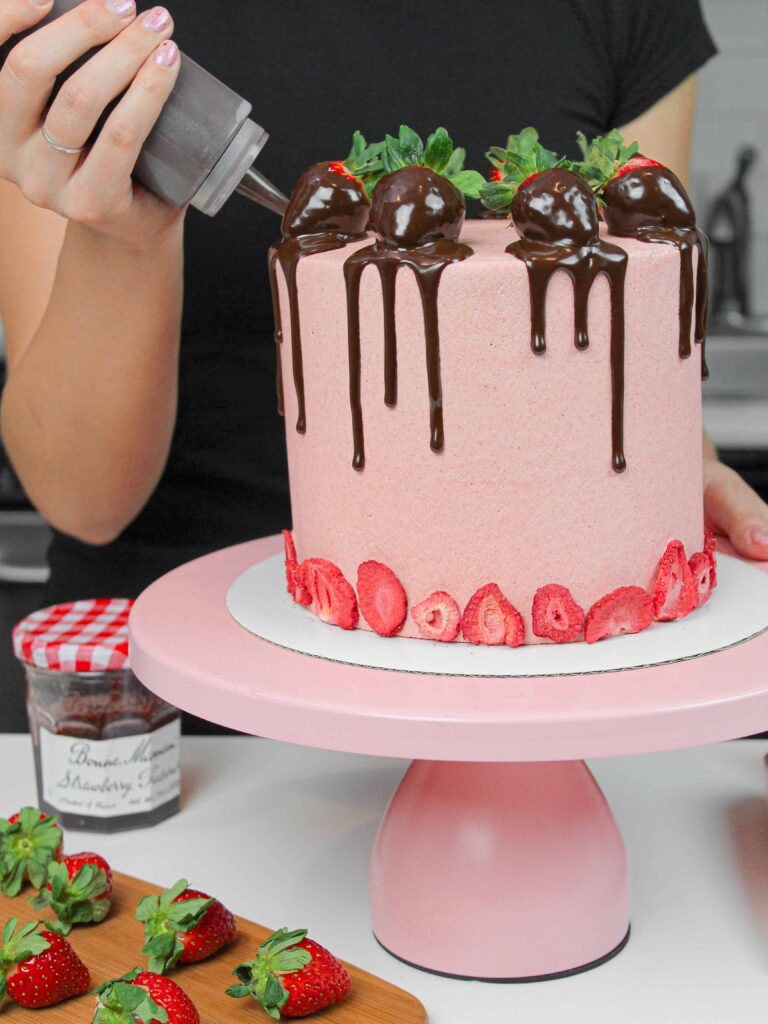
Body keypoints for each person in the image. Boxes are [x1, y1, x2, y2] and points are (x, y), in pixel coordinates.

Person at [0, 0, 766, 608]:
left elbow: (630, 321)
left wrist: (665, 476)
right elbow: (82, 499)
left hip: (551, 668)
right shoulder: (81, 19)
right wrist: (123, 237)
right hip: (178, 684)